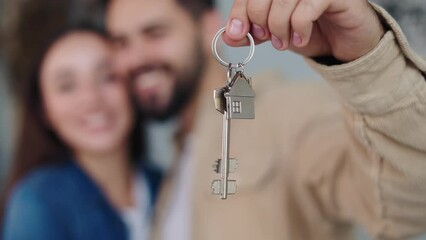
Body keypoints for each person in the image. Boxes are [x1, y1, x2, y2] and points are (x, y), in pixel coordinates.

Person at [104, 0, 426, 239]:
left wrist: (368, 61)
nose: (136, 57)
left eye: (155, 33)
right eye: (121, 42)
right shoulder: (169, 171)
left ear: (207, 27)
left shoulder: (286, 110)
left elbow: (408, 202)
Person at [1, 23, 160, 240]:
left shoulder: (166, 184)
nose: (91, 99)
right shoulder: (38, 202)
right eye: (67, 86)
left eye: (108, 77)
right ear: (44, 111)